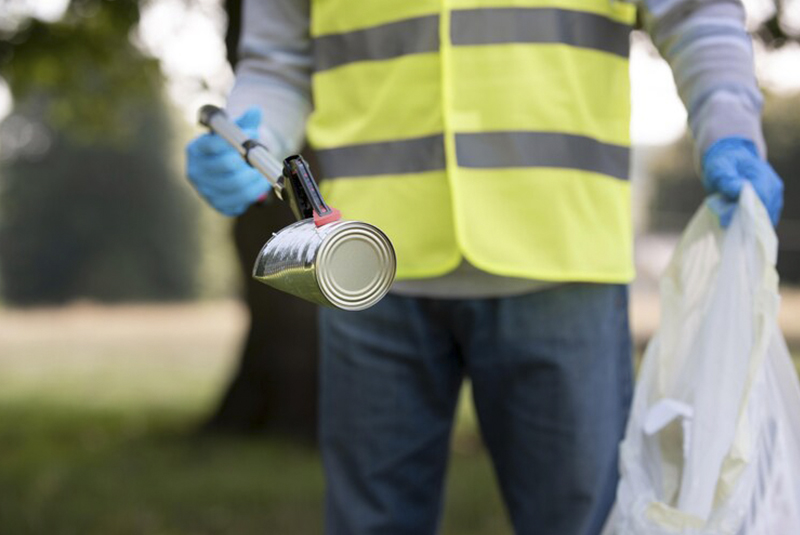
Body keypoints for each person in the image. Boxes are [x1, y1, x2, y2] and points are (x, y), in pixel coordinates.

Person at [185, 0, 784, 533]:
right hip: (364, 268)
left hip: (561, 256)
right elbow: (278, 60)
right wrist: (246, 137)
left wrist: (729, 126)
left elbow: (698, 12)